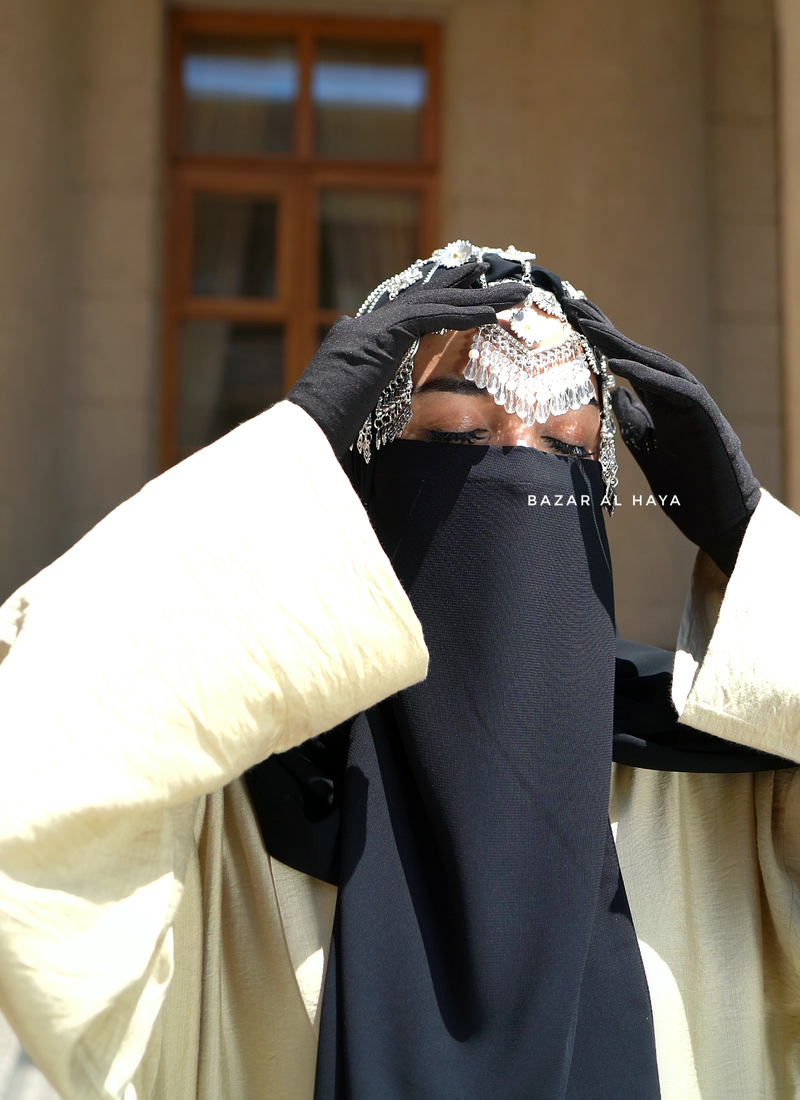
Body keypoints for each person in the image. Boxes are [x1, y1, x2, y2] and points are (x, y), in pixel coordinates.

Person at [0, 243, 799, 1100]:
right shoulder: (226, 824)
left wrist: (752, 538)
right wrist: (290, 457)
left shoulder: (721, 808)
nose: (523, 475)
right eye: (459, 438)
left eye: (571, 455)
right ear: (361, 488)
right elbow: (33, 772)